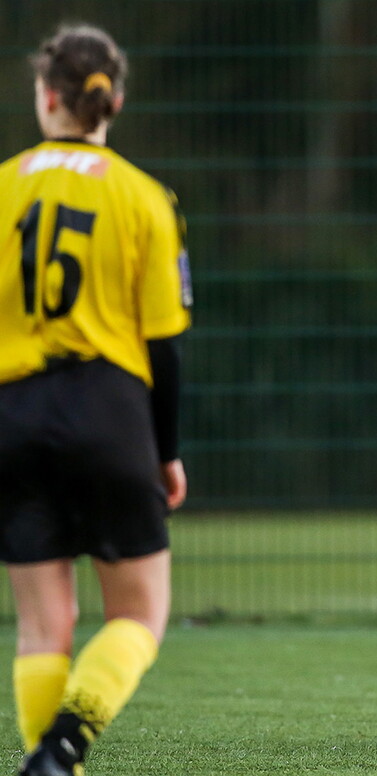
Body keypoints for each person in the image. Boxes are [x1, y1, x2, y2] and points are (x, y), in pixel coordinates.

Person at [0, 24, 191, 776]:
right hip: (108, 412)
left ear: (46, 97)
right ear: (114, 101)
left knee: (43, 626)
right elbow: (162, 348)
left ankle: (50, 761)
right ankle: (64, 750)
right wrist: (166, 450)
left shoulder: (5, 184)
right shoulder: (145, 197)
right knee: (140, 613)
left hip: (11, 411)